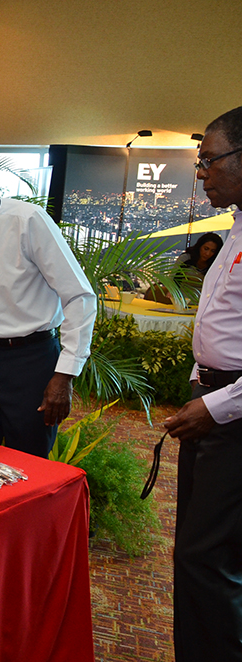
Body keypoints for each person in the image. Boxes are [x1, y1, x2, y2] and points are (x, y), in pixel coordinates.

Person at [0, 148, 96, 458]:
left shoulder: (27, 220)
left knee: (29, 462)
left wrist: (64, 374)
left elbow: (79, 296)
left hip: (31, 361)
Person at [163, 106, 242, 662]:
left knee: (207, 556)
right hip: (213, 402)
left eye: (210, 160)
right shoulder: (235, 227)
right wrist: (199, 387)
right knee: (194, 550)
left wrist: (218, 406)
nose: (201, 173)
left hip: (232, 414)